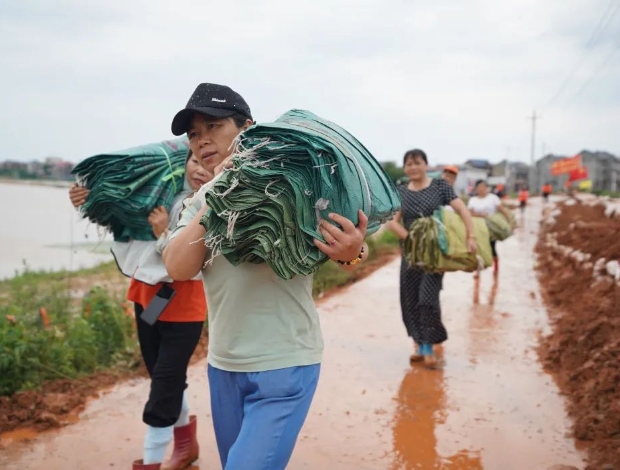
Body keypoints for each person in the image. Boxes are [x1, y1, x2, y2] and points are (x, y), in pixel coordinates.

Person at [162, 83, 370, 469]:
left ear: (248, 127)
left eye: (214, 126)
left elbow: (353, 242)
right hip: (224, 365)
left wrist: (352, 253)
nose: (203, 140)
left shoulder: (289, 182)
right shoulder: (199, 199)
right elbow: (178, 266)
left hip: (285, 362)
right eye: (194, 134)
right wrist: (223, 191)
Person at [69, 153, 211, 470]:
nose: (200, 170)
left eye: (206, 163)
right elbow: (118, 211)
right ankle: (186, 444)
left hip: (185, 306)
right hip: (148, 299)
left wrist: (163, 232)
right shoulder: (159, 193)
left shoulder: (209, 205)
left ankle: (150, 462)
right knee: (163, 377)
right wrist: (86, 199)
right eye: (194, 162)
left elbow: (190, 262)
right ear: (182, 164)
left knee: (164, 384)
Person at [386, 149, 476, 368]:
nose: (413, 168)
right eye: (408, 164)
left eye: (417, 163)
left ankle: (428, 345)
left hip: (434, 255)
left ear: (426, 165)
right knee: (409, 300)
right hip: (410, 254)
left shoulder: (440, 187)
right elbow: (392, 221)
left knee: (427, 300)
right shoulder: (400, 191)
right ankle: (418, 343)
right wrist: (412, 237)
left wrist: (470, 235)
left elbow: (462, 209)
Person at [468, 179, 512, 275]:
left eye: (484, 186)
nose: (482, 189)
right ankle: (477, 270)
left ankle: (496, 268)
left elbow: (502, 210)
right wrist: (480, 216)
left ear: (486, 188)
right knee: (478, 249)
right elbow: (469, 213)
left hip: (491, 228)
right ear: (476, 188)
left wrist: (508, 222)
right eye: (479, 187)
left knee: (492, 247)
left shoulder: (493, 198)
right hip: (478, 228)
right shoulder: (473, 200)